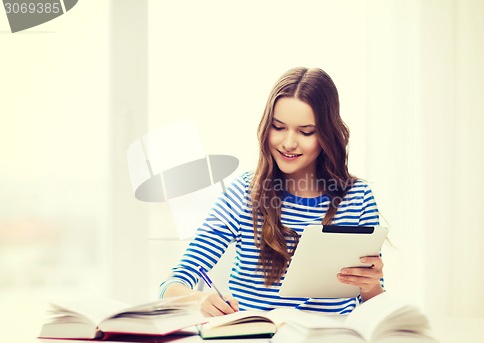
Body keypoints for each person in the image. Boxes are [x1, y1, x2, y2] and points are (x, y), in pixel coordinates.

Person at [159, 67, 384, 317]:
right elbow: (172, 285)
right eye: (278, 127)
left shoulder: (358, 197)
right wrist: (198, 300)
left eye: (306, 132)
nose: (288, 143)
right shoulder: (244, 193)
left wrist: (371, 283)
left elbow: (373, 305)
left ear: (326, 135)